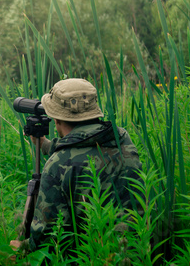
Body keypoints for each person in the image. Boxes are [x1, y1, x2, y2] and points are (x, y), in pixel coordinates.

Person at [10, 78, 143, 254]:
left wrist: (23, 247)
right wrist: (45, 145)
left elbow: (47, 240)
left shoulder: (58, 164)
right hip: (136, 251)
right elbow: (86, 148)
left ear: (56, 119)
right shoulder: (122, 140)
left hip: (94, 256)